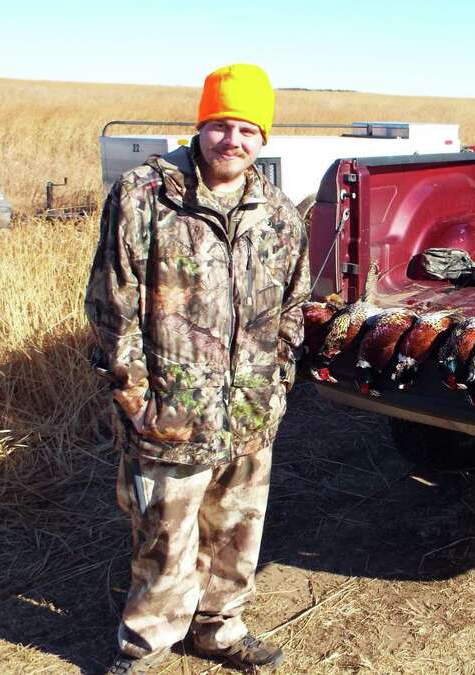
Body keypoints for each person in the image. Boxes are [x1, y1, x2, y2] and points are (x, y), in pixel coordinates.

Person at [85, 63, 309, 674]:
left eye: (247, 128)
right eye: (219, 125)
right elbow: (112, 305)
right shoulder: (144, 196)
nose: (232, 140)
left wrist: (277, 381)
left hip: (250, 412)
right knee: (163, 541)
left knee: (237, 536)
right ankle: (147, 644)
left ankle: (219, 628)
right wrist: (136, 398)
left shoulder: (281, 214)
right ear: (199, 127)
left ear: (264, 138)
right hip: (170, 415)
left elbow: (295, 306)